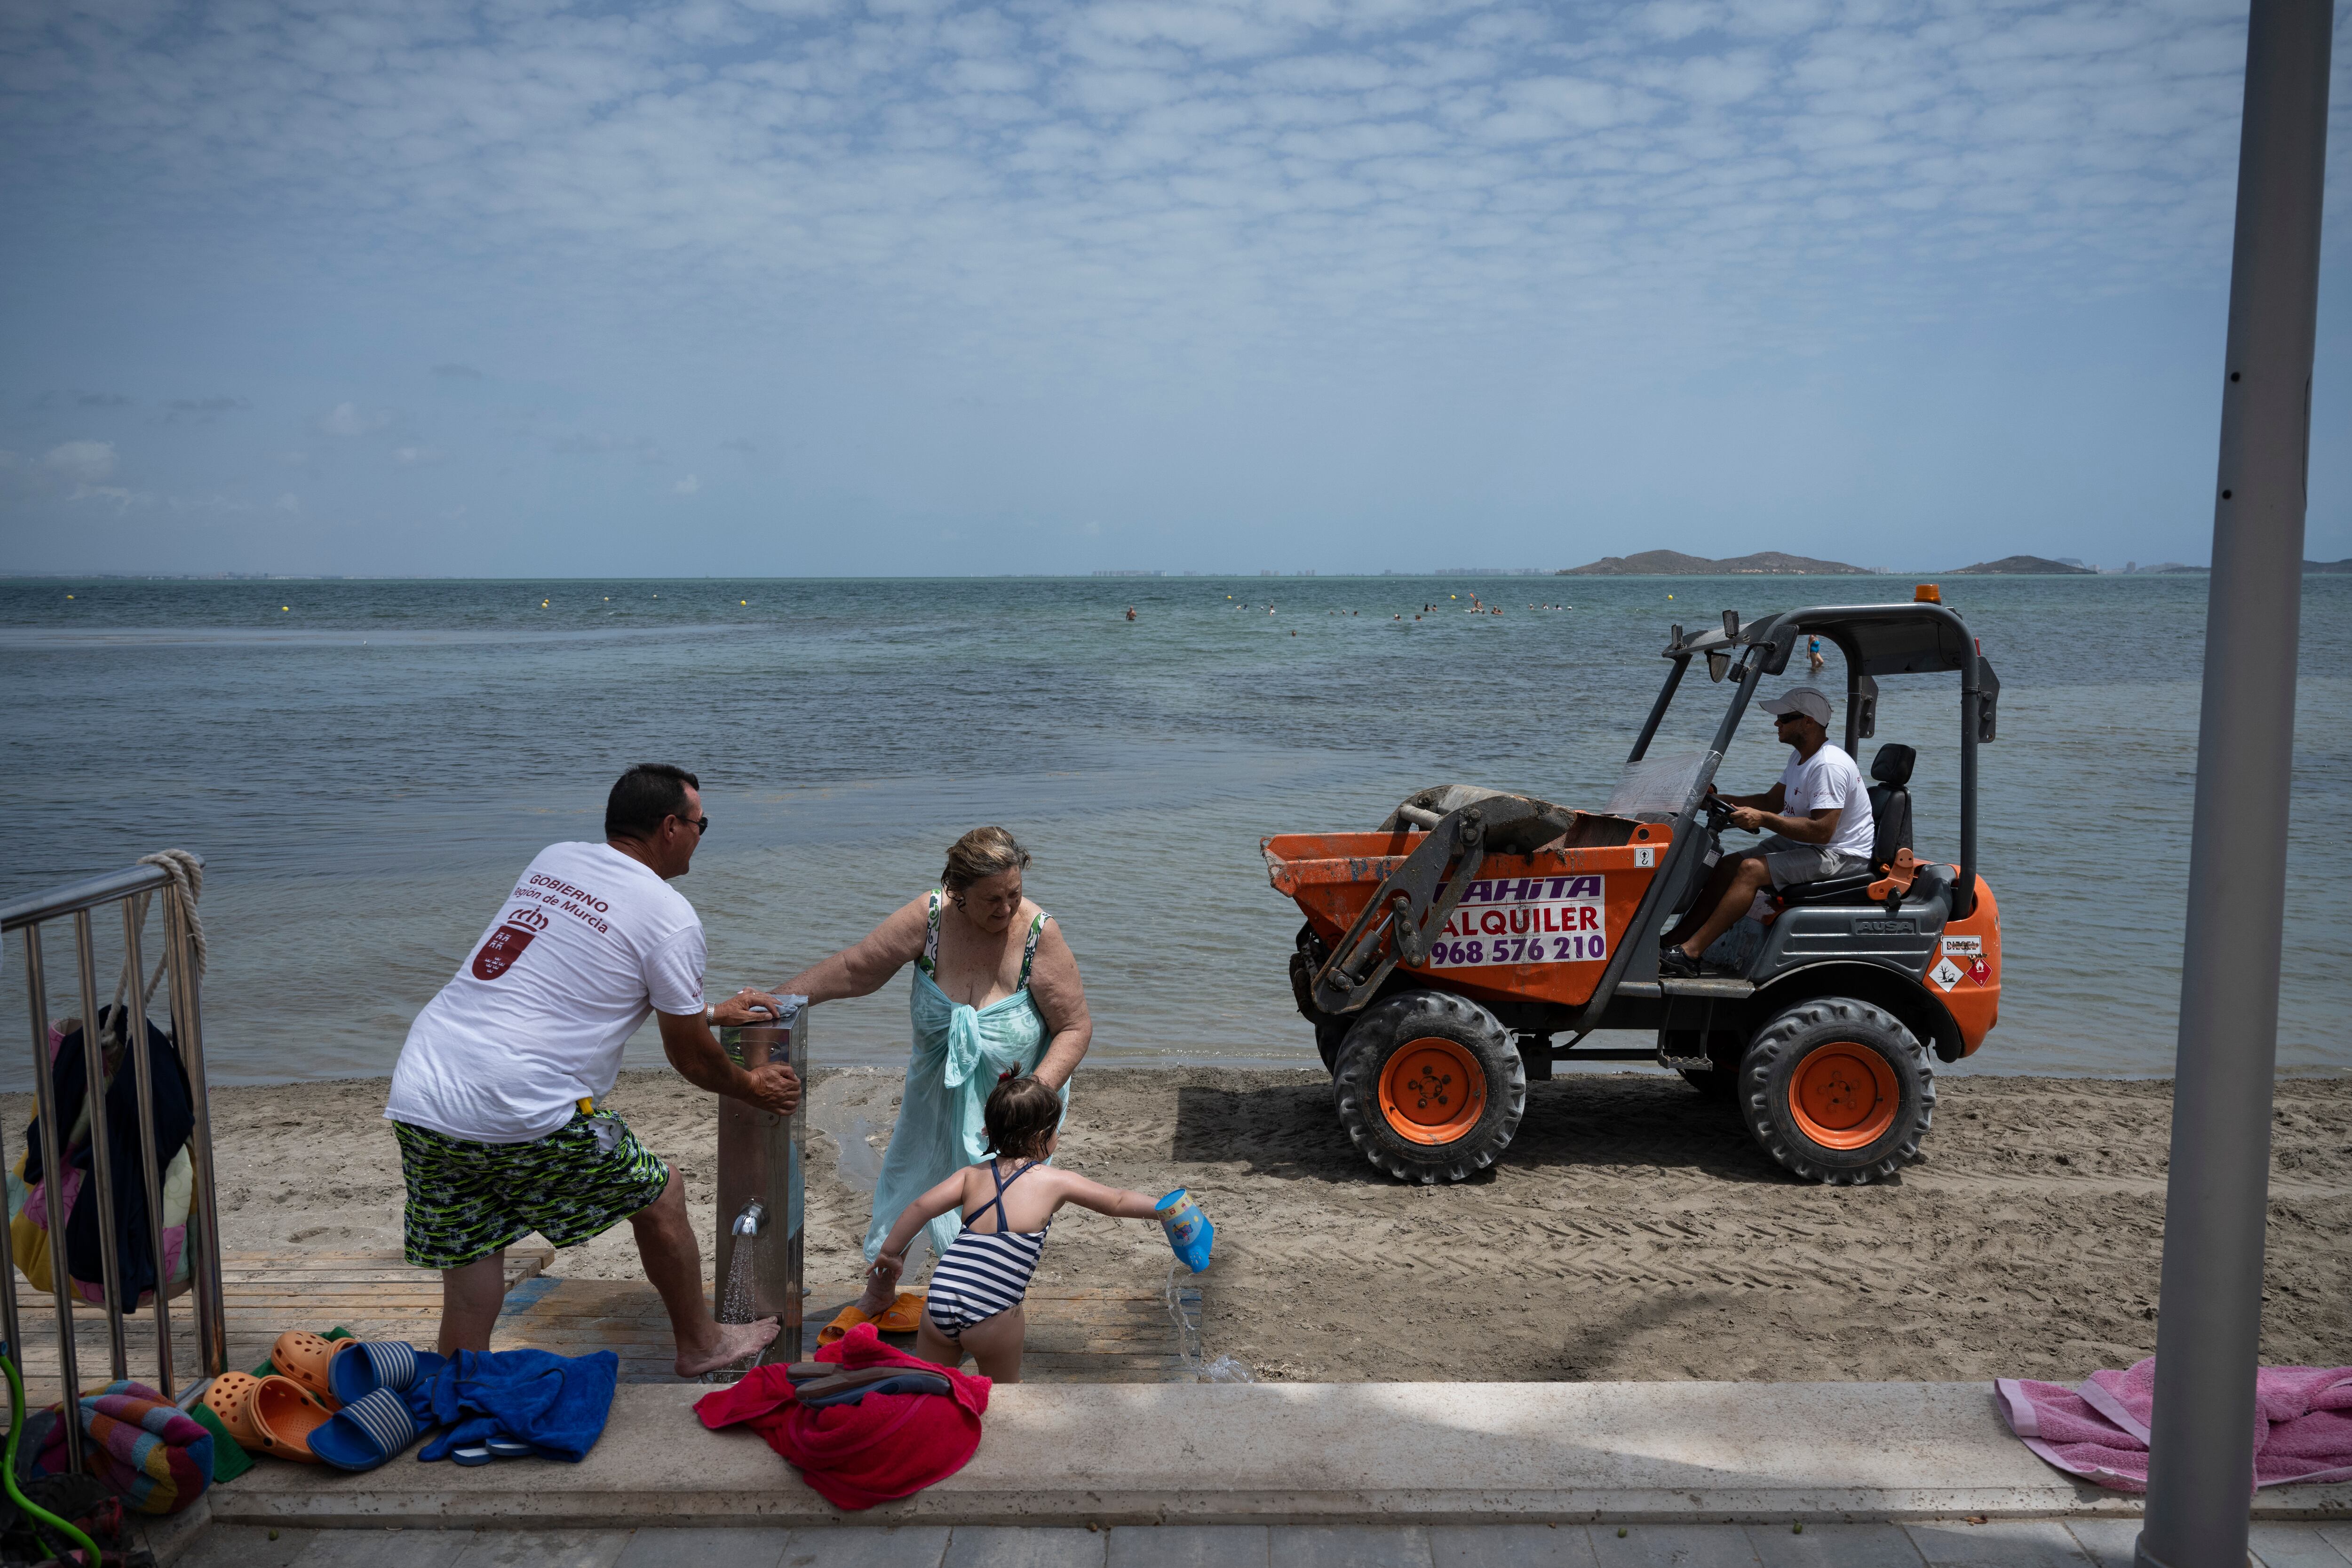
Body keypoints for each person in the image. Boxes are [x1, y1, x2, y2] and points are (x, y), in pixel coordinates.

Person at [384, 764, 799, 1374]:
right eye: (700, 823)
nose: (701, 835)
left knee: (474, 1251)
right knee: (660, 1194)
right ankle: (702, 1344)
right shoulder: (670, 915)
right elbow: (686, 1056)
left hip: (425, 1087)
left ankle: (456, 1384)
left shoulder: (555, 860)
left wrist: (709, 1011)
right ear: (669, 828)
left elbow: (564, 979)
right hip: (519, 1101)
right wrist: (751, 1086)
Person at [774, 826, 1092, 1333]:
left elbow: (1074, 1028)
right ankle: (879, 1291)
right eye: (991, 899)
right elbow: (857, 969)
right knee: (906, 1190)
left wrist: (1035, 1102)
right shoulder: (929, 919)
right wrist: (779, 1000)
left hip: (1014, 1107)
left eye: (1014, 894)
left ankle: (989, 1315)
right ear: (956, 892)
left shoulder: (1038, 934)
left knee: (995, 1211)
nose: (1006, 908)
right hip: (932, 1094)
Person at [864, 1076, 1169, 1382]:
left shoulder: (971, 1176)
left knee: (932, 1388)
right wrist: (1167, 1210)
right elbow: (1117, 1201)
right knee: (1005, 1397)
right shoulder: (1054, 1181)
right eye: (1056, 1130)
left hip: (941, 1301)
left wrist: (891, 1254)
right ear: (1041, 1136)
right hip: (993, 1313)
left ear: (989, 1131)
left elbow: (919, 1207)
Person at [1659, 687, 1875, 977]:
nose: (1777, 723)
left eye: (1785, 718)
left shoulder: (1828, 765)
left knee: (1750, 870)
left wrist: (1763, 819)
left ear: (1808, 722)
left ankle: (1691, 954)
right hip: (1807, 842)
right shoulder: (1801, 758)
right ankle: (1672, 942)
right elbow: (1771, 802)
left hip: (1841, 854)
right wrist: (1714, 800)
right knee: (1727, 866)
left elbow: (1822, 831)